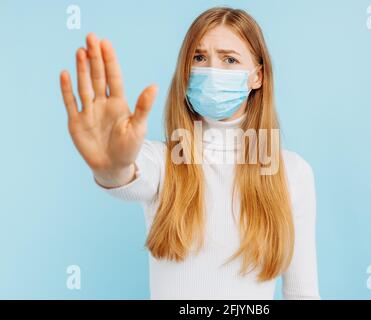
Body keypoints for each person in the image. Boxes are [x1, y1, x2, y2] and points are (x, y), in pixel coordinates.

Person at [59, 6, 320, 300]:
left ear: (257, 77)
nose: (211, 70)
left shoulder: (293, 172)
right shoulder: (164, 161)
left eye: (229, 59)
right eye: (199, 58)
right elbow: (126, 175)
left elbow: (303, 293)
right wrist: (111, 166)